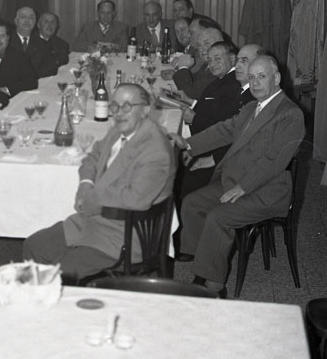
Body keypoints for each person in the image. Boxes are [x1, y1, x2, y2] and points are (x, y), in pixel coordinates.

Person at [169, 56, 305, 296]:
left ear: (276, 78)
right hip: (235, 180)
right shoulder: (252, 107)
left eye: (262, 77)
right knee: (192, 203)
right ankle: (203, 262)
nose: (255, 83)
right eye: (251, 78)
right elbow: (224, 130)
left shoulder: (290, 114)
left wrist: (243, 187)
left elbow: (274, 160)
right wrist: (188, 143)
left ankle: (213, 285)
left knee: (218, 217)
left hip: (266, 190)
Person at [23, 83, 176, 281]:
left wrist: (92, 200)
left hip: (123, 235)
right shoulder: (119, 130)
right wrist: (85, 184)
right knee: (34, 246)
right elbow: (93, 158)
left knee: (61, 273)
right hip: (94, 222)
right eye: (115, 106)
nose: (119, 113)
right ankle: (39, 298)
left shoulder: (155, 151)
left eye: (127, 106)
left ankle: (57, 298)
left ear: (145, 111)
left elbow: (134, 199)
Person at [175, 41, 244, 201]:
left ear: (232, 59)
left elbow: (223, 126)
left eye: (218, 59)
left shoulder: (233, 83)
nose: (212, 64)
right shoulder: (222, 79)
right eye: (210, 60)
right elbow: (213, 108)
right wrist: (191, 102)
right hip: (204, 143)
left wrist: (194, 119)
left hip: (215, 152)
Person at [0, 18, 38, 109]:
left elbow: (31, 82)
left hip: (14, 106)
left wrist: (7, 89)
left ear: (8, 38)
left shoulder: (20, 57)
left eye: (2, 36)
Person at [172, 26, 224, 100]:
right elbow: (194, 82)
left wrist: (183, 67)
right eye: (199, 45)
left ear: (220, 43)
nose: (202, 49)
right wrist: (178, 71)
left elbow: (194, 94)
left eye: (206, 43)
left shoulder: (220, 66)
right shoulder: (207, 64)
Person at [8, 6, 58, 78]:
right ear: (16, 21)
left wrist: (31, 77)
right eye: (23, 17)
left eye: (31, 18)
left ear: (35, 22)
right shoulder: (6, 41)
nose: (27, 20)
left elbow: (51, 68)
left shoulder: (43, 44)